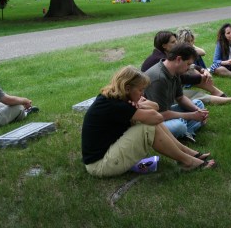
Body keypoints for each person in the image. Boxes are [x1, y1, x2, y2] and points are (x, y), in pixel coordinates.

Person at [81, 66, 216, 178]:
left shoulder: (116, 98)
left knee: (147, 121)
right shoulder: (117, 105)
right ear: (127, 88)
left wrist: (137, 105)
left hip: (105, 157)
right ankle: (188, 161)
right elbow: (157, 117)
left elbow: (155, 106)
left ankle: (188, 154)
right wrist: (139, 106)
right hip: (100, 165)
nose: (142, 94)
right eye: (140, 90)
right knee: (147, 126)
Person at [142, 30, 231, 104]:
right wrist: (200, 77)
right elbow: (181, 79)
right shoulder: (158, 61)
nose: (176, 44)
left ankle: (221, 95)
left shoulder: (164, 56)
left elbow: (189, 65)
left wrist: (202, 70)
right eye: (173, 42)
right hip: (158, 98)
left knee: (193, 74)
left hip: (169, 90)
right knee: (198, 96)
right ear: (164, 45)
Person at [144, 43, 209, 142]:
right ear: (178, 59)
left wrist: (197, 111)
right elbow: (162, 114)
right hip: (153, 120)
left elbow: (180, 98)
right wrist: (192, 116)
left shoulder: (175, 71)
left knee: (198, 104)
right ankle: (184, 131)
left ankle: (185, 134)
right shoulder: (159, 78)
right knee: (179, 126)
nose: (188, 68)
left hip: (166, 111)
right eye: (188, 64)